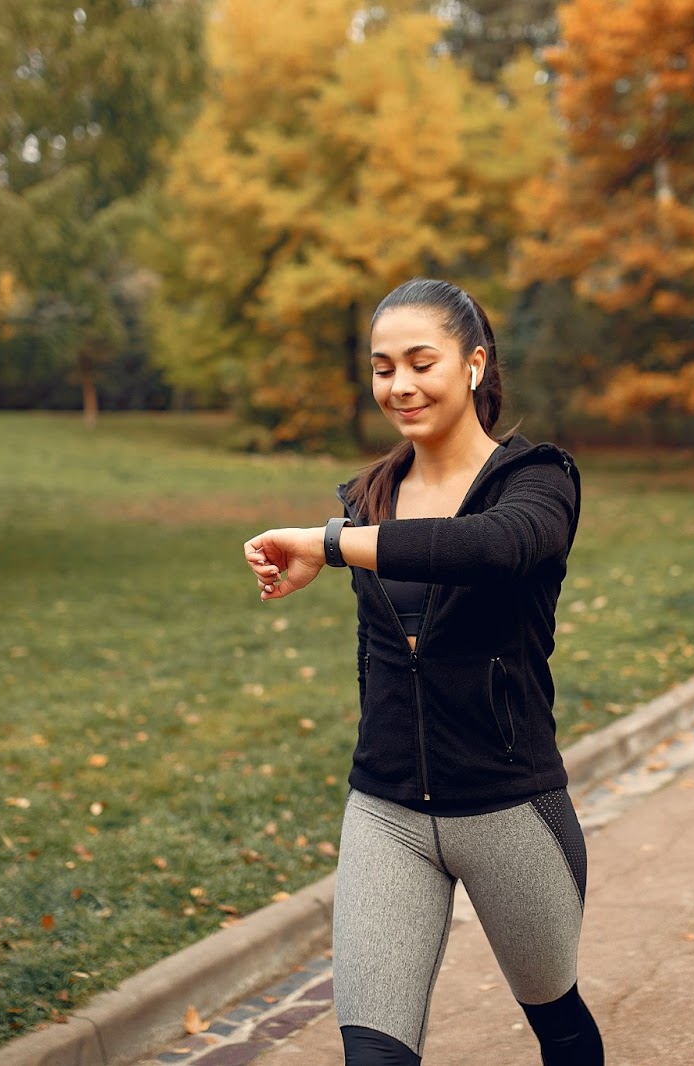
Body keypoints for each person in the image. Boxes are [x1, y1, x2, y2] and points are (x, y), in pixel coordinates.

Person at [242, 278, 604, 1066]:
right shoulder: (370, 495)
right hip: (386, 813)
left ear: (474, 365)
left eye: (419, 361)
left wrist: (332, 543)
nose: (398, 385)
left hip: (508, 808)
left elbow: (489, 548)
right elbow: (381, 660)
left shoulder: (537, 481)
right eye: (381, 368)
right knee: (374, 1054)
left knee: (560, 1024)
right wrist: (339, 537)